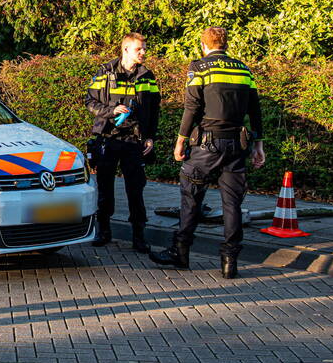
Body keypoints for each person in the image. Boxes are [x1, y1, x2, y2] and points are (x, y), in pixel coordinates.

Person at [151, 26, 266, 279]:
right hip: (237, 146)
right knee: (232, 204)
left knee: (191, 197)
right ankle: (229, 262)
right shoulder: (244, 70)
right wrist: (259, 144)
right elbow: (255, 110)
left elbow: (191, 107)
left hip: (206, 146)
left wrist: (180, 140)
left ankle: (180, 253)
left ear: (204, 46)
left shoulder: (199, 68)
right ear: (225, 45)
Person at [84, 32, 161, 253]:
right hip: (108, 138)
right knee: (105, 187)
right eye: (140, 49)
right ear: (126, 49)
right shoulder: (105, 73)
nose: (144, 53)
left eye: (144, 49)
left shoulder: (147, 76)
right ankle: (104, 231)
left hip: (133, 140)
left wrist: (150, 137)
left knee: (135, 190)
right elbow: (89, 101)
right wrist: (111, 111)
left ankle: (139, 235)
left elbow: (154, 110)